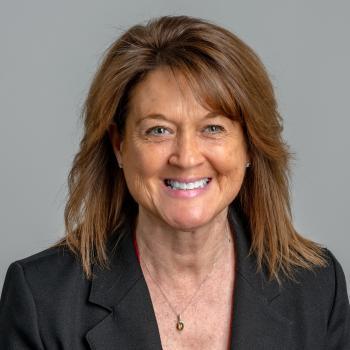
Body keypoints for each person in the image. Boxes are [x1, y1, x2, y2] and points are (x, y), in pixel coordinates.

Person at [0, 15, 349, 350]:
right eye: (158, 130)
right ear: (120, 146)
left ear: (250, 145)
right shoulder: (43, 299)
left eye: (212, 128)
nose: (186, 157)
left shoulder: (316, 287)